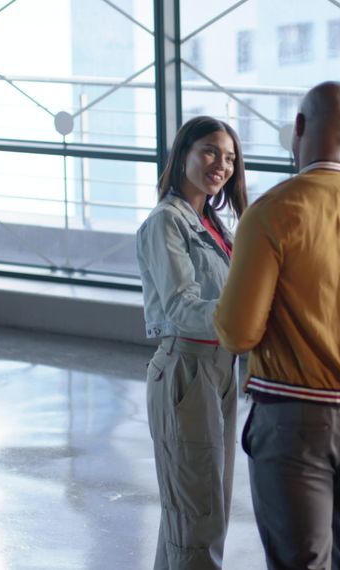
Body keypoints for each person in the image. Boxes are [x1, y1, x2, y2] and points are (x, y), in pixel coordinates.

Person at [213, 81, 340, 570]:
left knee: (300, 560)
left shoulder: (273, 211)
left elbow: (238, 332)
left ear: (298, 128)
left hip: (295, 412)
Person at [135, 115, 248, 570]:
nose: (220, 164)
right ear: (182, 154)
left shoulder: (213, 223)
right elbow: (182, 307)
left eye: (229, 157)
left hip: (219, 368)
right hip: (187, 368)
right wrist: (245, 319)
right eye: (209, 152)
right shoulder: (167, 222)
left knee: (201, 511)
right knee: (197, 518)